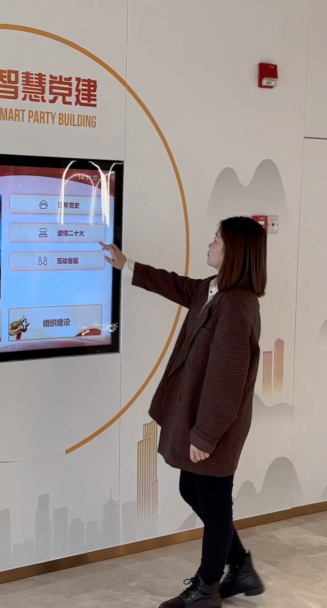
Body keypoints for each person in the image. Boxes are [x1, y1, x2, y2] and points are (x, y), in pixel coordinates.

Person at [101, 216, 267, 608]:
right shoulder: (214, 290)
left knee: (214, 502)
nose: (210, 245)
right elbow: (176, 285)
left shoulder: (235, 307)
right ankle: (240, 567)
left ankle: (206, 589)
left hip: (215, 425)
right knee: (192, 489)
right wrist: (127, 266)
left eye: (217, 241)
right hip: (200, 418)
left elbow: (226, 383)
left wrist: (205, 436)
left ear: (234, 253)